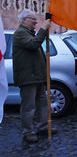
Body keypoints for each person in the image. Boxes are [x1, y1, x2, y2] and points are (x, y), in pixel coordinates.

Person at [12, 9, 56, 142]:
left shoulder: (29, 33)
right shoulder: (20, 33)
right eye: (33, 19)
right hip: (28, 78)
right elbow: (33, 44)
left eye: (36, 20)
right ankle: (28, 132)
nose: (36, 22)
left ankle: (42, 127)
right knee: (29, 107)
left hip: (37, 76)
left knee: (42, 104)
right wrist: (43, 29)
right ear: (24, 20)